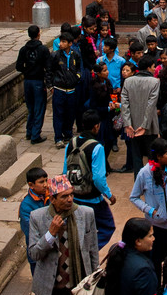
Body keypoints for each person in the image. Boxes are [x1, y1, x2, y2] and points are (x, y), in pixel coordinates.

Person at [130, 137, 167, 272]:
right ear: (158, 156)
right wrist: (150, 211)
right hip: (156, 228)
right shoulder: (144, 173)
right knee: (155, 265)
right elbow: (134, 197)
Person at [64, 109, 116, 250]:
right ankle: (88, 250)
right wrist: (109, 195)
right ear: (96, 126)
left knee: (81, 227)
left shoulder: (71, 143)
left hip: (75, 196)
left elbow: (65, 171)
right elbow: (99, 178)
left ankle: (81, 249)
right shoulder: (96, 147)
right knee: (107, 226)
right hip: (92, 198)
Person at [18, 165, 48, 295]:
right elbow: (32, 233)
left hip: (52, 254)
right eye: (41, 182)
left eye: (46, 181)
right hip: (37, 257)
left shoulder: (49, 197)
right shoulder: (26, 206)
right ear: (31, 185)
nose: (45, 185)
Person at [121, 57, 160, 180]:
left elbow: (124, 103)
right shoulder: (154, 82)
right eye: (154, 67)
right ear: (148, 68)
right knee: (152, 156)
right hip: (150, 126)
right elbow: (151, 105)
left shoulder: (128, 81)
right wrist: (144, 125)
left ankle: (139, 181)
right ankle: (154, 180)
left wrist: (127, 124)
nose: (155, 69)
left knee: (136, 156)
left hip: (132, 126)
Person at [45, 32, 81, 148]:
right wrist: (50, 86)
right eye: (61, 41)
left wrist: (77, 78)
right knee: (58, 114)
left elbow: (79, 69)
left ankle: (68, 134)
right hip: (59, 89)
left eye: (64, 42)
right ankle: (58, 138)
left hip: (71, 89)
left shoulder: (75, 55)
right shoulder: (55, 56)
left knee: (70, 114)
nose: (61, 44)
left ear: (70, 43)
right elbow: (49, 72)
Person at [16, 24, 49, 144]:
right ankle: (35, 135)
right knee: (39, 108)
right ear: (38, 34)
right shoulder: (43, 49)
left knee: (31, 108)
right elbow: (48, 66)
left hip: (27, 81)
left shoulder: (24, 50)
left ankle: (29, 132)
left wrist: (27, 70)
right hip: (38, 82)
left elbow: (18, 67)